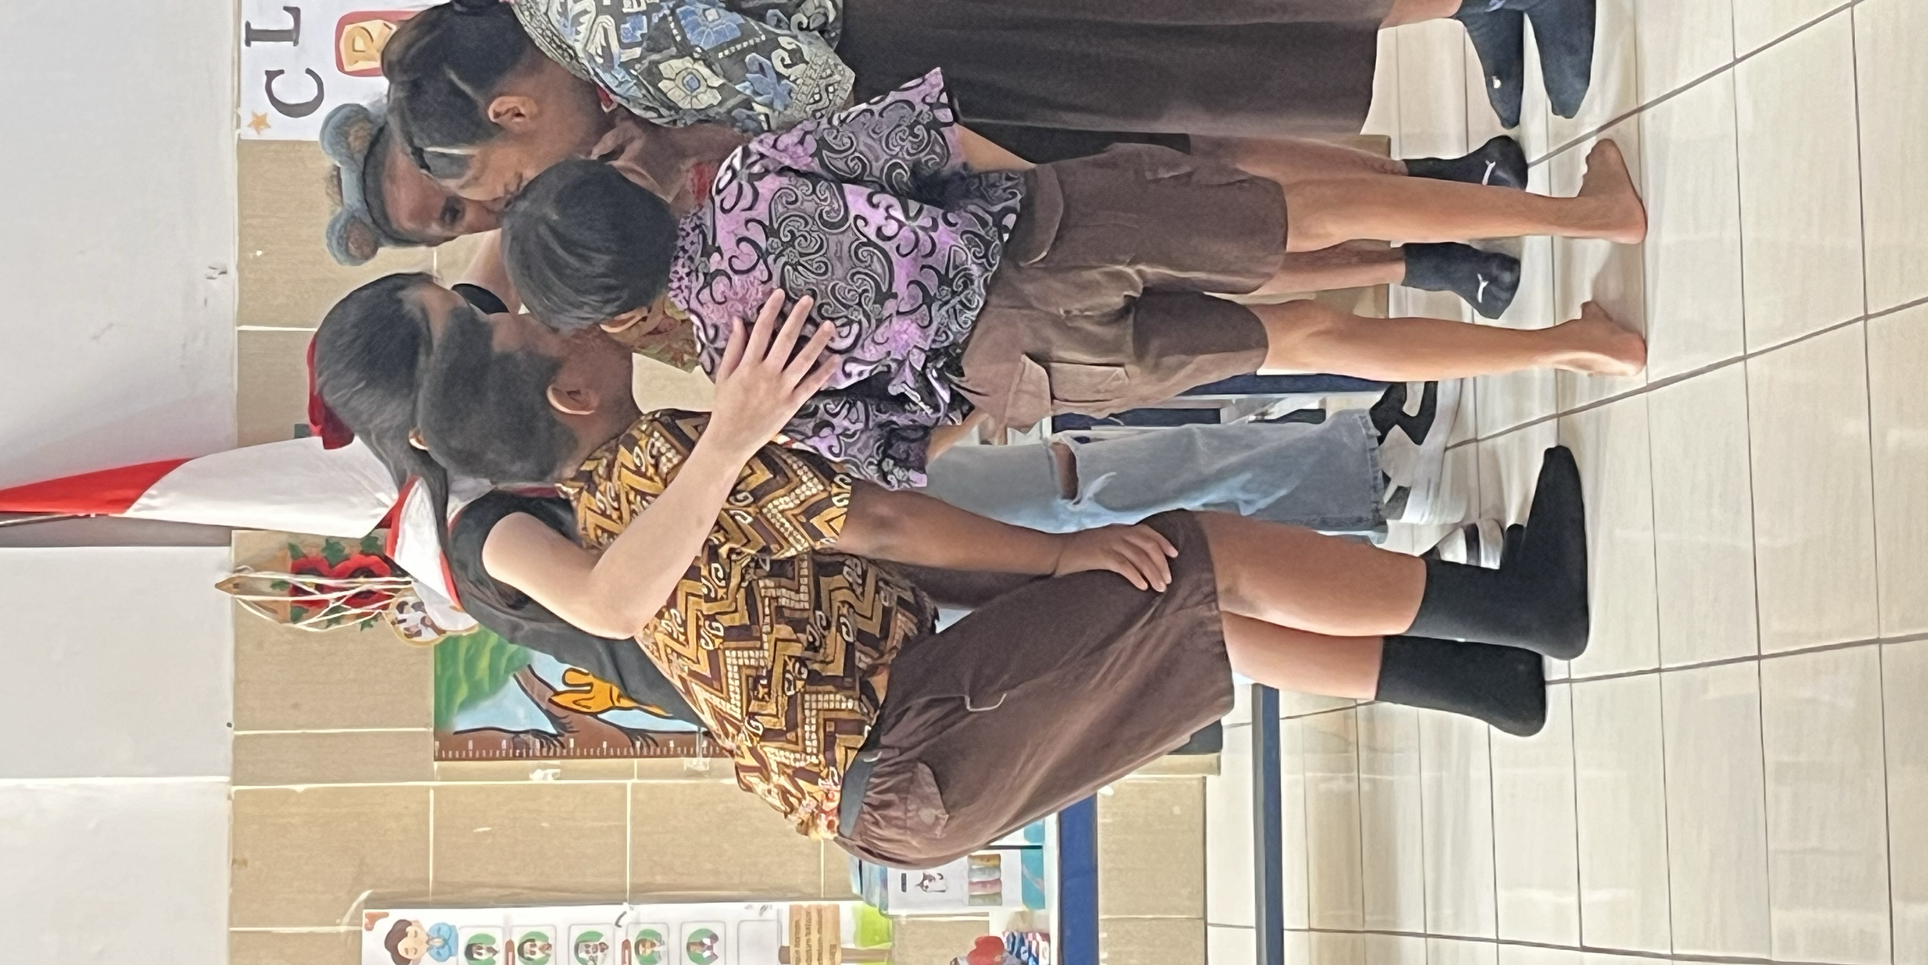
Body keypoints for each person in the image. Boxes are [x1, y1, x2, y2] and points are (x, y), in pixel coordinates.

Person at [413, 286, 1593, 865]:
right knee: (1189, 554)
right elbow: (878, 521)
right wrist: (1061, 553)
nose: (549, 309)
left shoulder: (619, 496)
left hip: (893, 780)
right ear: (571, 393)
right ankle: (1520, 611)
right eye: (534, 324)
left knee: (1187, 618)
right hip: (916, 739)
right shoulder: (664, 458)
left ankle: (1485, 685)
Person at [491, 71, 1643, 486]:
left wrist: (989, 399)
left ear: (615, 311)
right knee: (1316, 209)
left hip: (1025, 373)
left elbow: (894, 450)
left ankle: (1577, 345)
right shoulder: (747, 176)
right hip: (1045, 234)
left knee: (1307, 340)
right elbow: (936, 140)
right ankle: (1582, 212)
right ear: (635, 192)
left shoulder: (730, 371)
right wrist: (1063, 185)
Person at [381, 0, 1588, 247]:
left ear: (510, 115)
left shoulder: (618, 45)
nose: (535, 194)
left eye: (511, 184)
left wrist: (999, 186)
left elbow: (823, 101)